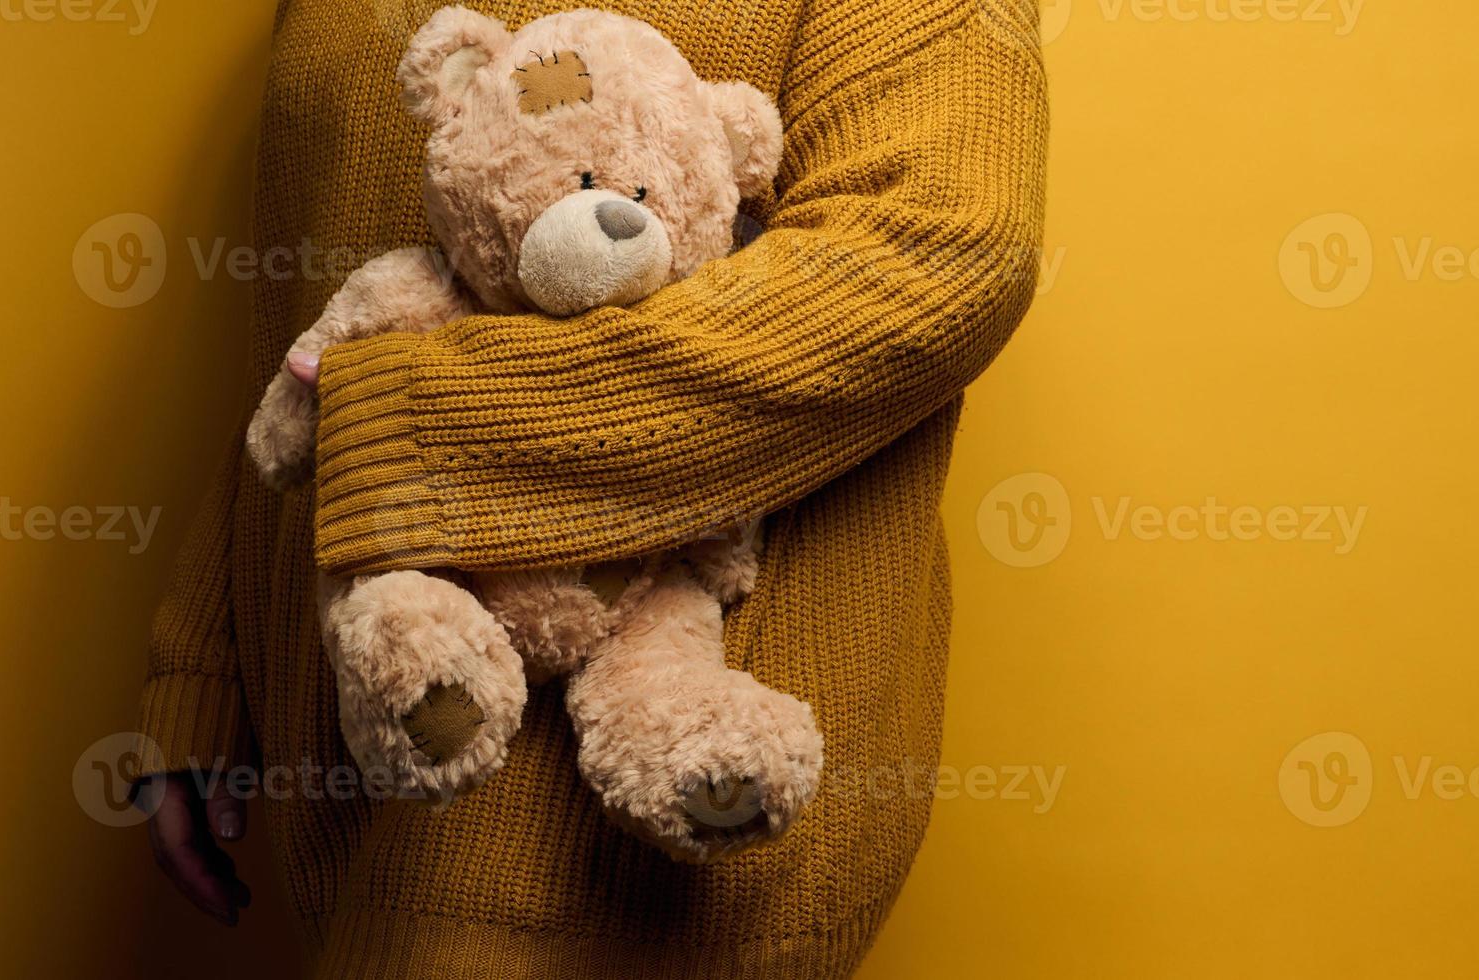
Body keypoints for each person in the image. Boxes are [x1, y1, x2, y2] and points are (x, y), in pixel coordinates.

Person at [136, 0, 1046, 975]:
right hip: (349, 759)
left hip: (636, 831)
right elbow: (312, 316)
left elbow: (933, 249)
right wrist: (203, 659)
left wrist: (423, 427)